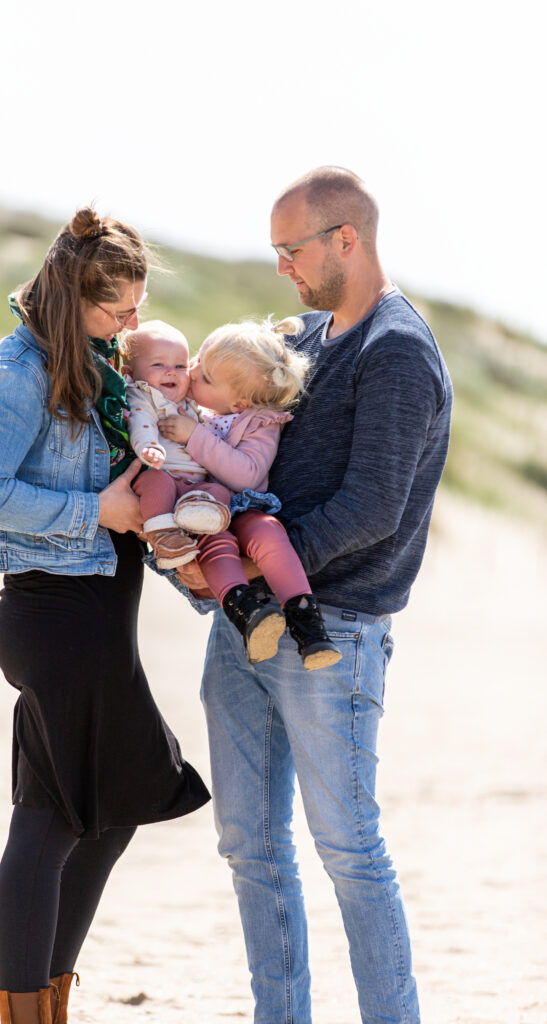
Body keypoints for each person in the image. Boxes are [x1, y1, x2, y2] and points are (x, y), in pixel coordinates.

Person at [188, 167, 453, 1024]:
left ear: (347, 240)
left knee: (347, 850)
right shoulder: (302, 336)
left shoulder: (398, 351)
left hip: (331, 632)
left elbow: (372, 506)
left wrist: (263, 569)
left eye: (289, 249)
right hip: (245, 629)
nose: (278, 269)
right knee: (250, 847)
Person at [0, 207, 210, 1024]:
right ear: (69, 297)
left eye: (136, 308)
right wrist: (91, 510)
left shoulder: (95, 362)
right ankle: (28, 1010)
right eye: (117, 310)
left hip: (98, 618)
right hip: (52, 615)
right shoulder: (15, 373)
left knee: (112, 801)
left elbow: (136, 495)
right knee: (55, 816)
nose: (131, 324)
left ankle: (48, 1000)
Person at [123, 318, 341, 669]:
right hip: (209, 512)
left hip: (243, 507)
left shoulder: (258, 423)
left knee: (269, 533)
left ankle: (307, 621)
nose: (191, 372)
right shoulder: (199, 409)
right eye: (195, 361)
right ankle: (247, 613)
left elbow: (247, 474)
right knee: (217, 547)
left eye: (204, 376)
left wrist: (194, 436)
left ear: (239, 403)